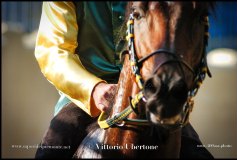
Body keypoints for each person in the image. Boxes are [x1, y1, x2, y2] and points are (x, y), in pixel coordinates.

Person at [34, 2, 214, 158]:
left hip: (151, 92)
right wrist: (93, 89)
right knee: (52, 148)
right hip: (85, 101)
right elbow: (53, 53)